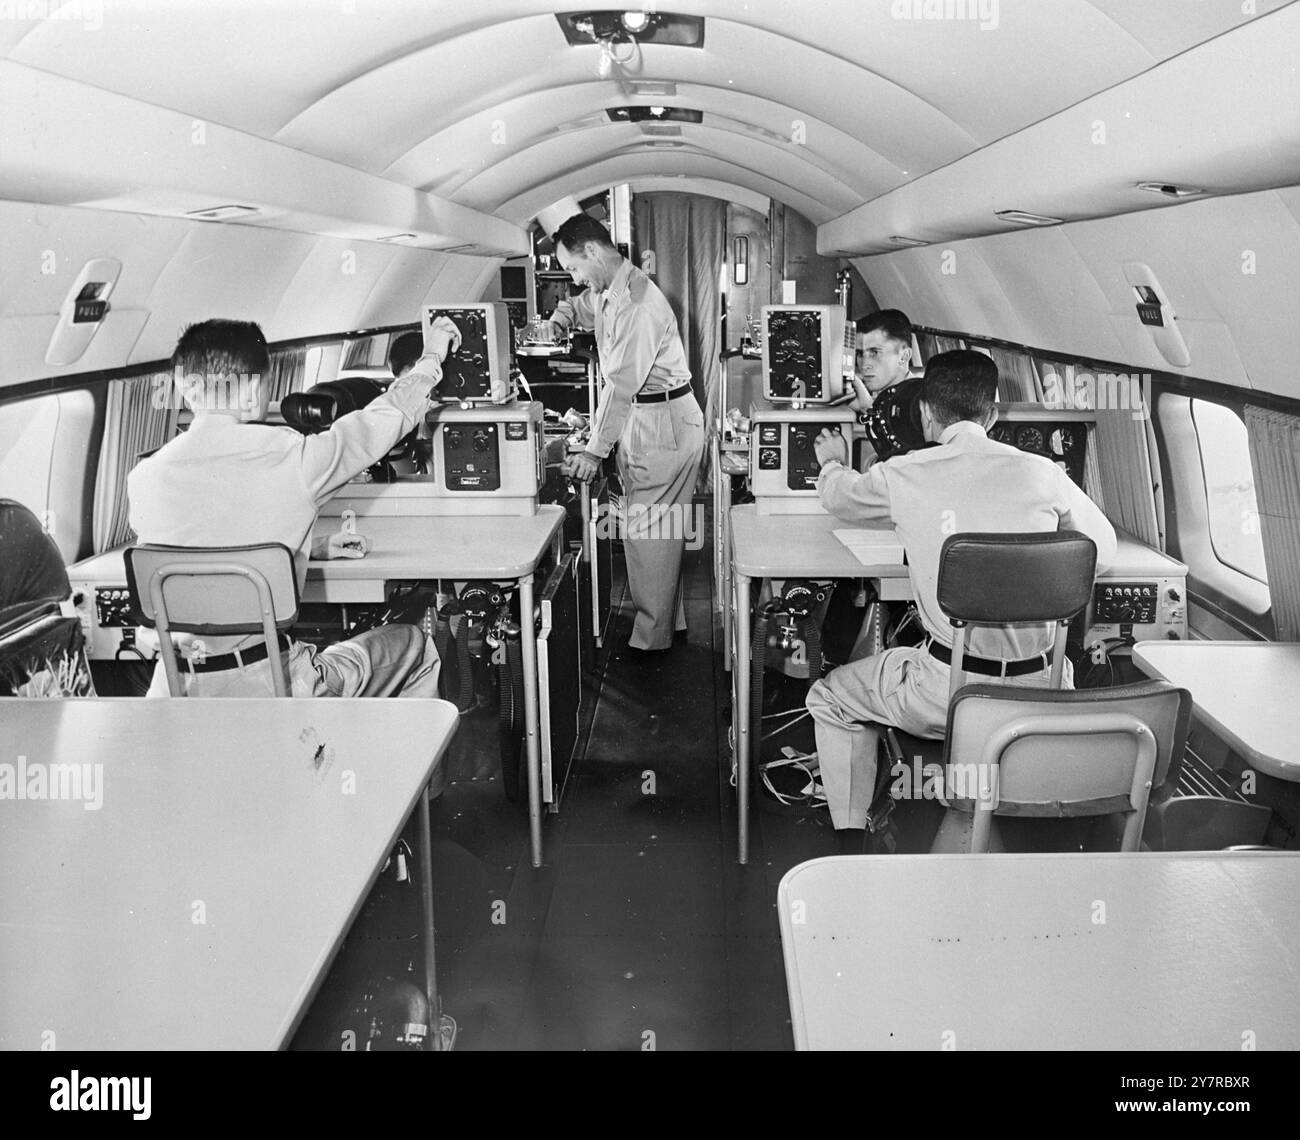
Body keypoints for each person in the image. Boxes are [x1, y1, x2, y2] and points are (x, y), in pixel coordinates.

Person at [805, 349, 1118, 851]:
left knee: (830, 696)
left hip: (947, 693)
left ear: (926, 412)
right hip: (1045, 687)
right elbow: (1100, 553)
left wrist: (830, 463)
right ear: (993, 413)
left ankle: (848, 844)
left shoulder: (905, 473)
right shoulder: (1043, 472)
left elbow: (840, 496)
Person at [128, 316, 461, 700]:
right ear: (253, 390)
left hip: (173, 692)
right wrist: (432, 354)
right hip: (276, 691)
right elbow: (380, 421)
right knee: (414, 645)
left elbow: (199, 552)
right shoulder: (292, 457)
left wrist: (311, 548)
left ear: (186, 388)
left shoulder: (144, 476)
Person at [545, 212, 705, 654]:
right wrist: (558, 319)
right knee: (662, 527)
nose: (576, 278)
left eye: (575, 268)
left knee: (646, 530)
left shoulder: (638, 304)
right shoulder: (612, 289)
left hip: (663, 420)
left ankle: (650, 646)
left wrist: (595, 452)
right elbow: (583, 304)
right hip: (655, 418)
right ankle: (665, 624)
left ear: (593, 252)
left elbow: (620, 386)